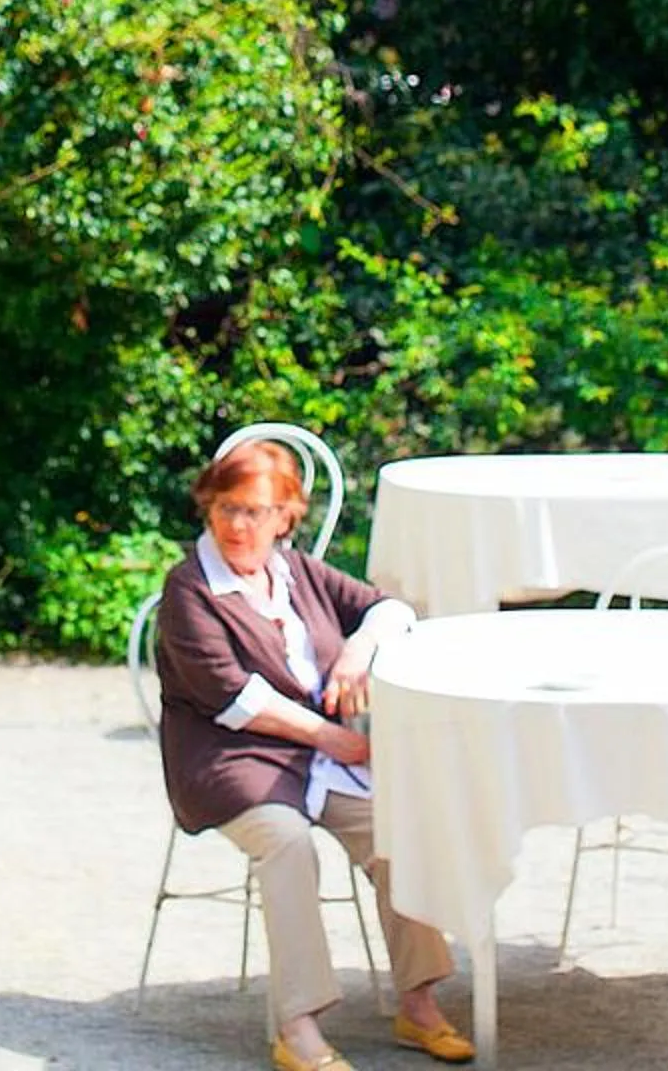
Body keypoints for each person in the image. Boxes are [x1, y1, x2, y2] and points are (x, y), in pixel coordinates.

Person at [154, 437, 474, 1071]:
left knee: (396, 828)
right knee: (288, 842)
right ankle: (296, 1028)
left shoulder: (296, 572)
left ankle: (418, 1003)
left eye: (254, 511)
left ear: (285, 517)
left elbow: (390, 608)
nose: (238, 526)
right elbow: (235, 700)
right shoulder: (190, 588)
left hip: (318, 762)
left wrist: (358, 649)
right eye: (226, 509)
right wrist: (342, 740)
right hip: (230, 761)